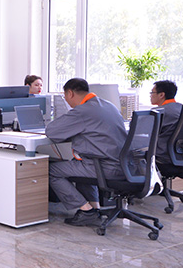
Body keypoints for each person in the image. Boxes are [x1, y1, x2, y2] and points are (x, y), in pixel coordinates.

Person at [44, 77, 128, 227]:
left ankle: (86, 211)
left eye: (65, 96)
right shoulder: (109, 105)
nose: (66, 100)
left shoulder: (83, 111)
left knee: (51, 171)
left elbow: (51, 131)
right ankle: (94, 208)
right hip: (123, 165)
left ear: (70, 93)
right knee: (80, 161)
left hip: (104, 167)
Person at [150, 79, 183, 166]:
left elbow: (139, 130)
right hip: (182, 156)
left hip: (163, 157)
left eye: (152, 92)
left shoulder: (158, 112)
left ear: (161, 95)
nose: (150, 95)